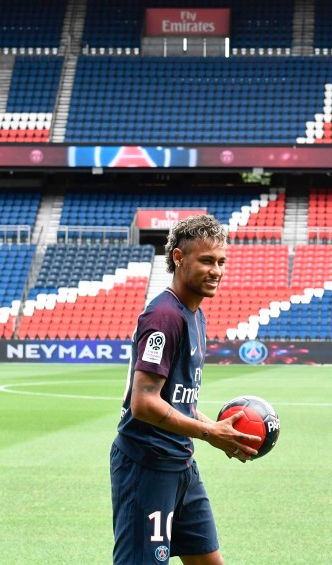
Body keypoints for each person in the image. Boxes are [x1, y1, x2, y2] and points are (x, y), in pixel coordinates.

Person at [111, 214, 261, 565]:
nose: (217, 271)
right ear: (179, 258)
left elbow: (178, 401)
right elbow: (144, 403)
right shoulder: (164, 316)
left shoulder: (195, 313)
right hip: (146, 465)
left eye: (221, 261)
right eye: (206, 260)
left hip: (181, 464)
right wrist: (210, 432)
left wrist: (225, 434)